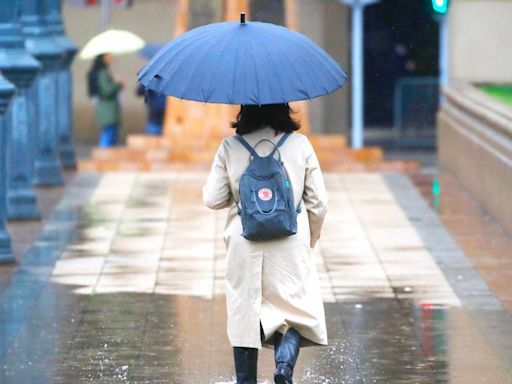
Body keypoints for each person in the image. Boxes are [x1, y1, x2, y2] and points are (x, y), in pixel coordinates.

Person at [203, 104, 328, 384]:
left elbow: (212, 198)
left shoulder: (230, 147)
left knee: (244, 310)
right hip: (289, 241)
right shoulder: (300, 145)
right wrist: (310, 239)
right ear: (284, 109)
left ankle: (246, 380)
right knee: (294, 310)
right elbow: (319, 203)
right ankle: (283, 365)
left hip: (244, 242)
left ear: (245, 111)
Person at [87, 53, 123, 147]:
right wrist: (117, 84)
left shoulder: (105, 72)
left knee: (110, 135)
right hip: (108, 109)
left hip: (108, 108)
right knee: (108, 136)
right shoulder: (102, 73)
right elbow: (106, 90)